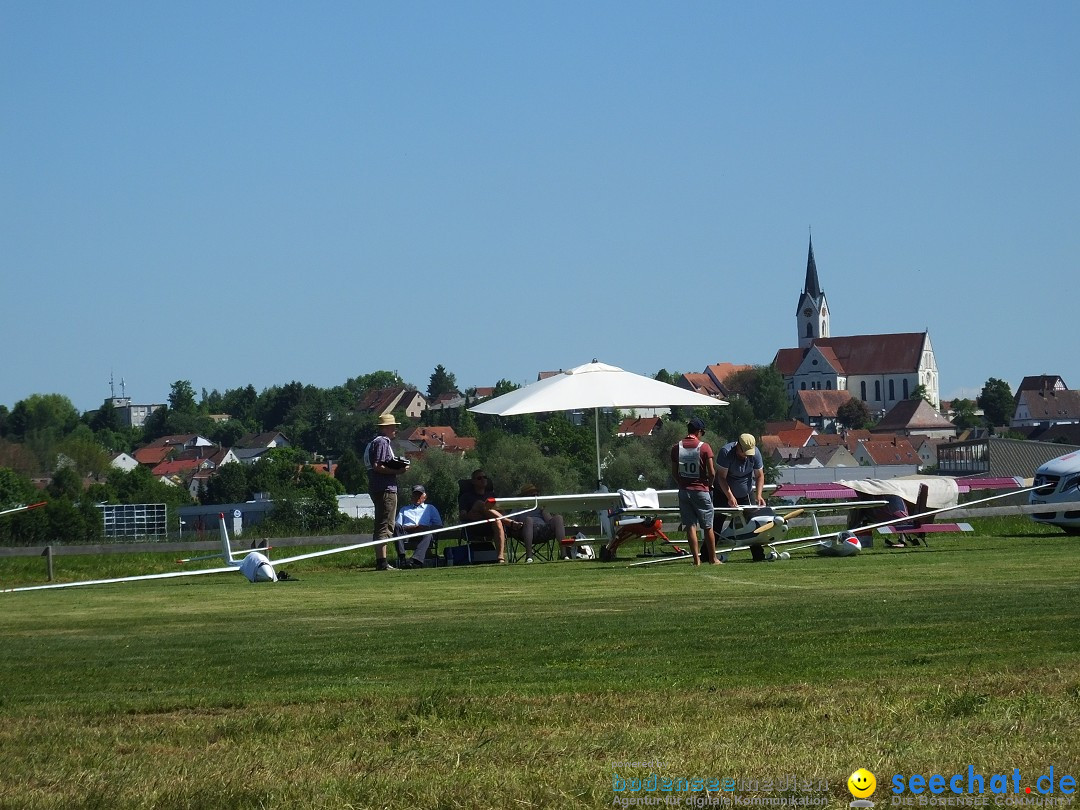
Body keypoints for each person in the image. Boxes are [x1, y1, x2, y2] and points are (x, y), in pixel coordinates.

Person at [670, 417, 718, 566]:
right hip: (701, 490)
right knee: (708, 526)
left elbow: (674, 472)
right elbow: (712, 473)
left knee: (690, 526)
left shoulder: (676, 447)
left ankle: (696, 560)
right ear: (698, 432)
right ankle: (712, 559)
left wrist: (682, 484)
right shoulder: (704, 447)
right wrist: (709, 486)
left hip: (684, 491)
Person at [364, 413, 410, 571]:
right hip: (386, 489)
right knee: (386, 524)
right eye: (393, 426)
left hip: (377, 487)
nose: (396, 429)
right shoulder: (383, 442)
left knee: (381, 524)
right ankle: (382, 562)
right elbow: (378, 465)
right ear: (386, 428)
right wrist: (397, 470)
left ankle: (381, 561)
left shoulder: (373, 443)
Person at [713, 432, 766, 559]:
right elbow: (721, 477)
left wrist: (759, 495)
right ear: (738, 446)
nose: (746, 456)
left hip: (745, 493)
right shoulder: (726, 452)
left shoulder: (756, 454)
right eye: (744, 452)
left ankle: (758, 555)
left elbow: (759, 476)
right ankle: (707, 555)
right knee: (717, 522)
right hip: (722, 493)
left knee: (752, 522)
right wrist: (730, 496)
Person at [457, 469, 511, 564]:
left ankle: (500, 557)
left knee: (497, 521)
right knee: (480, 504)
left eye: (485, 477)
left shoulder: (492, 495)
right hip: (475, 525)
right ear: (473, 481)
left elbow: (502, 512)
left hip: (490, 526)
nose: (483, 479)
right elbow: (462, 515)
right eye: (479, 478)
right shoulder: (466, 496)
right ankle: (508, 522)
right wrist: (468, 516)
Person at [516, 484, 567, 562]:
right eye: (533, 495)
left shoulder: (540, 506)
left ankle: (564, 554)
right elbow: (511, 520)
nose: (536, 496)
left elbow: (549, 520)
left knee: (558, 518)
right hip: (526, 530)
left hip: (543, 530)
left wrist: (543, 510)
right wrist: (516, 524)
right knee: (529, 520)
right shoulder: (518, 507)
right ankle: (529, 556)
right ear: (525, 495)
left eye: (537, 494)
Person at [395, 484, 442, 568]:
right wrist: (410, 528)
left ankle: (416, 560)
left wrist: (425, 528)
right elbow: (398, 526)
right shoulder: (404, 509)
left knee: (428, 534)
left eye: (419, 495)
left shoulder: (430, 508)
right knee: (395, 526)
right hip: (407, 534)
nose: (417, 497)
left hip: (423, 533)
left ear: (424, 496)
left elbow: (439, 525)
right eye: (415, 495)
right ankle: (402, 558)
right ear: (411, 496)